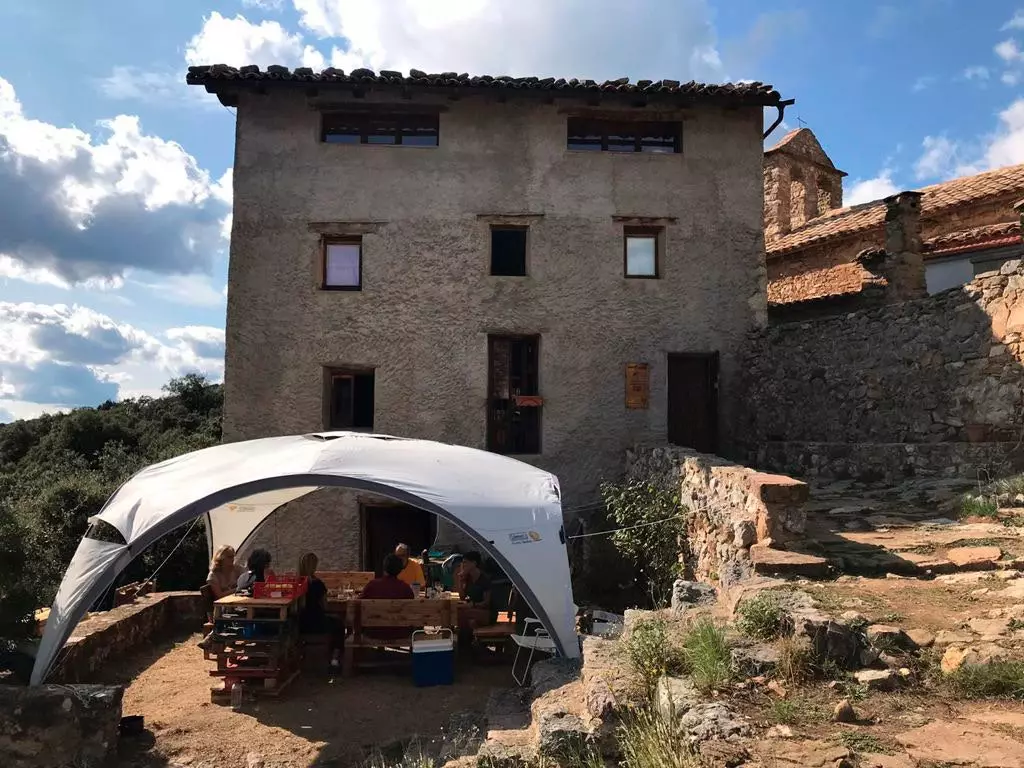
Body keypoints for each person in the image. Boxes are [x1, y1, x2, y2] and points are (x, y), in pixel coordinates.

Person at [297, 552, 345, 670]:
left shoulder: (296, 583)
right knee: (339, 624)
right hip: (317, 624)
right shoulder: (317, 584)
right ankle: (335, 658)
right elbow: (325, 606)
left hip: (300, 624)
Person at [360, 554, 414, 641]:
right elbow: (412, 612)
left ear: (384, 568)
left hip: (373, 632)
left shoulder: (372, 585)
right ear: (400, 570)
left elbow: (358, 605)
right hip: (401, 633)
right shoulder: (406, 588)